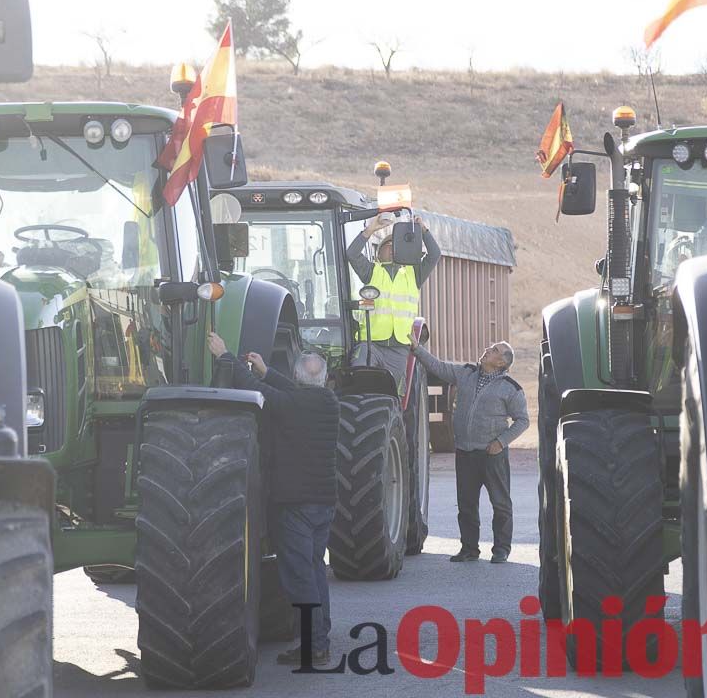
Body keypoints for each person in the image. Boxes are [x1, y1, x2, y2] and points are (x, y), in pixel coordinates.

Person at [206, 331, 340, 666]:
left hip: (295, 504)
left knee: (298, 577)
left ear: (297, 377)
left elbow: (257, 392)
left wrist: (226, 356)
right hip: (324, 503)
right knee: (314, 569)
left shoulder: (291, 404)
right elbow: (289, 389)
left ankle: (315, 646)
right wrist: (266, 370)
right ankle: (321, 636)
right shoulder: (328, 403)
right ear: (323, 379)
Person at [347, 212, 440, 553]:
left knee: (395, 404)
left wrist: (423, 230)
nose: (389, 250)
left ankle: (393, 435)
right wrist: (370, 229)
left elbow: (436, 255)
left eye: (391, 245)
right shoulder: (370, 271)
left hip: (399, 348)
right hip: (370, 342)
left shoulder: (412, 274)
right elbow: (352, 254)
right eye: (385, 246)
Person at [410, 337, 529, 563]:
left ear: (502, 363)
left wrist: (501, 442)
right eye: (490, 347)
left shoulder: (511, 388)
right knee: (466, 504)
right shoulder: (465, 373)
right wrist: (417, 349)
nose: (487, 350)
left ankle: (501, 550)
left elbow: (522, 421)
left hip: (492, 455)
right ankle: (469, 549)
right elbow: (438, 367)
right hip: (465, 453)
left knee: (500, 504)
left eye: (494, 350)